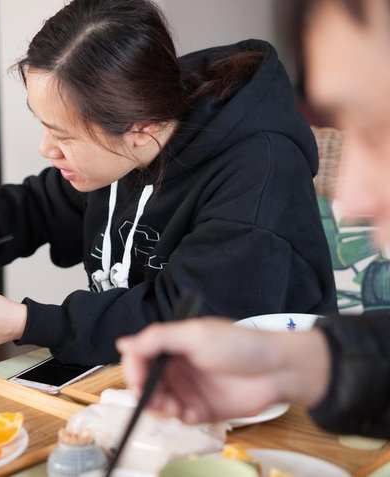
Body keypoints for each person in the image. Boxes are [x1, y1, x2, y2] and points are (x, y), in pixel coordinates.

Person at [0, 0, 336, 369]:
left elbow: (186, 322)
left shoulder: (259, 175)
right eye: (44, 127)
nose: (46, 149)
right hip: (138, 377)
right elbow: (52, 202)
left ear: (140, 128)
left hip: (262, 393)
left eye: (63, 136)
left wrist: (26, 322)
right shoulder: (134, 128)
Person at [118, 0, 390, 438]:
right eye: (346, 124)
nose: (350, 194)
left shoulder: (258, 167)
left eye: (379, 131)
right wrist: (280, 363)